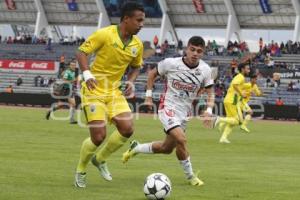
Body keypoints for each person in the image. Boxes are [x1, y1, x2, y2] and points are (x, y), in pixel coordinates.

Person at [122, 36, 215, 186]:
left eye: (199, 51)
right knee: (181, 139)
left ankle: (136, 148)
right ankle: (191, 177)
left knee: (166, 148)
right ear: (187, 49)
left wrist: (209, 110)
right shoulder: (170, 63)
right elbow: (152, 74)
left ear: (203, 53)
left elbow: (211, 92)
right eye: (192, 49)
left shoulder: (205, 70)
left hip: (184, 113)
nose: (195, 54)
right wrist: (148, 97)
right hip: (168, 107)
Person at [74, 2, 145, 188]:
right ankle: (81, 169)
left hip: (114, 92)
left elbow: (137, 66)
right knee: (98, 137)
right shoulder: (104, 34)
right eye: (138, 20)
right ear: (126, 19)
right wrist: (87, 74)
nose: (141, 24)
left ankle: (100, 159)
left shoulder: (137, 44)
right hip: (93, 90)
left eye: (143, 21)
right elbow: (82, 52)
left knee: (127, 128)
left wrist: (130, 81)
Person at [215, 63, 250, 143]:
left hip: (230, 99)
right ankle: (219, 119)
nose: (249, 70)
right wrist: (241, 93)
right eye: (247, 68)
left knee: (232, 122)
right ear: (242, 69)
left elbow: (239, 85)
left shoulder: (240, 77)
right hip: (232, 100)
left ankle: (223, 138)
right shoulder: (240, 77)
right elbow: (235, 85)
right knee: (238, 121)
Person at [46, 59, 77, 124]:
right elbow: (64, 80)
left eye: (74, 65)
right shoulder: (67, 72)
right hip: (65, 90)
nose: (73, 66)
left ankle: (50, 111)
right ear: (69, 66)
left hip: (70, 89)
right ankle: (72, 120)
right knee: (72, 104)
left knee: (61, 106)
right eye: (72, 65)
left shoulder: (74, 72)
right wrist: (72, 81)